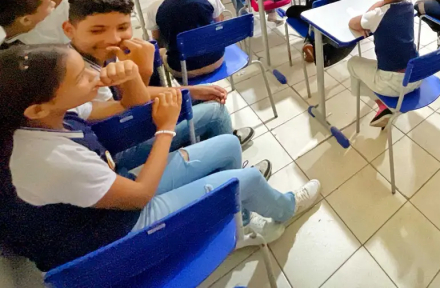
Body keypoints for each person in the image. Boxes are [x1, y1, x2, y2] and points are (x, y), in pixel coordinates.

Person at [0, 45, 321, 271]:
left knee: (227, 145)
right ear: (38, 108)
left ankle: (240, 221)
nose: (94, 78)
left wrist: (135, 78)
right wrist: (166, 129)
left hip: (109, 195)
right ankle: (285, 208)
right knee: (246, 179)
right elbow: (139, 197)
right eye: (82, 77)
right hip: (109, 242)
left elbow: (120, 105)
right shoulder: (48, 159)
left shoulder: (42, 117)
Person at [65, 0, 255, 149]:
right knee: (215, 113)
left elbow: (126, 101)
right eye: (97, 30)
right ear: (69, 30)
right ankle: (226, 153)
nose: (113, 39)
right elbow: (131, 113)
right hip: (121, 145)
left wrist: (190, 90)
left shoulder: (99, 56)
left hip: (123, 123)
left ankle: (212, 144)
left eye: (122, 28)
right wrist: (143, 73)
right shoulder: (76, 75)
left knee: (198, 97)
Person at [347, 0, 424, 127]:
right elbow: (379, 10)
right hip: (416, 75)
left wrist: (368, 20)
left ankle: (383, 104)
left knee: (353, 63)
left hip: (393, 83)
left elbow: (353, 23)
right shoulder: (409, 6)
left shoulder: (378, 14)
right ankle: (384, 104)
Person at [146, 0, 226, 79]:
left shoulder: (154, 8)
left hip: (181, 69)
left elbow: (157, 40)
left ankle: (173, 89)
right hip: (216, 59)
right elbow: (219, 24)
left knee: (157, 49)